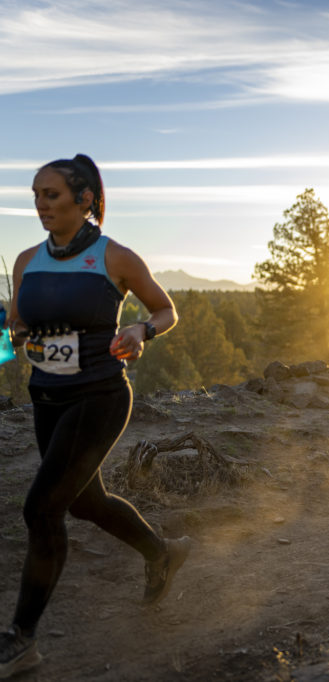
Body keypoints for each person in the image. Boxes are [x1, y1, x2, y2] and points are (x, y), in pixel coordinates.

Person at [0, 155, 190, 679]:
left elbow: (165, 309)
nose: (41, 204)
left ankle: (21, 638)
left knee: (41, 509)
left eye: (52, 195)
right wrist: (14, 336)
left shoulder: (115, 257)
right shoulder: (25, 260)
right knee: (85, 502)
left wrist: (141, 331)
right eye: (36, 194)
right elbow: (14, 324)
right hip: (47, 397)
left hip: (100, 395)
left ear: (85, 200)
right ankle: (162, 552)